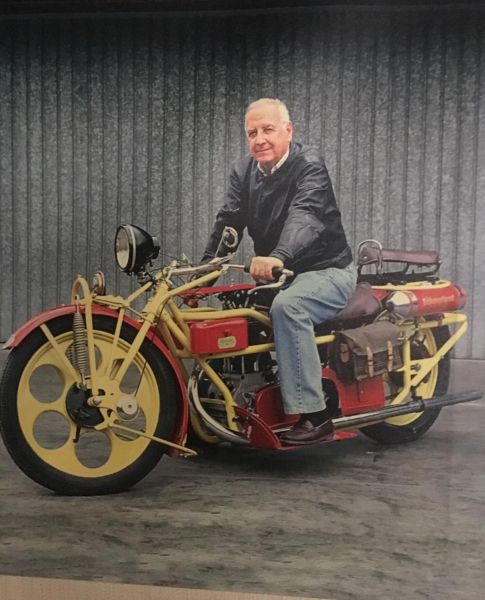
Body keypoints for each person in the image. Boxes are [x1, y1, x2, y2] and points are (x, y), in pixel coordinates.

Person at [202, 98, 357, 444]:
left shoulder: (308, 165)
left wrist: (279, 256)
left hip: (327, 270)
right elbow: (229, 222)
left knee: (289, 308)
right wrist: (204, 272)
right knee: (237, 309)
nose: (259, 139)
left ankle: (315, 415)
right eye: (252, 133)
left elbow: (306, 214)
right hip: (281, 273)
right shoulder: (245, 170)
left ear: (288, 130)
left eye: (267, 130)